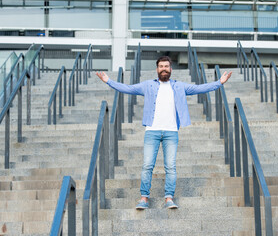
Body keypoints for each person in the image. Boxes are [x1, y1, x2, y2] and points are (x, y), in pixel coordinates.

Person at [96, 56, 232, 210]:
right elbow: (128, 88)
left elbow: (199, 89)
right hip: (152, 131)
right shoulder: (148, 86)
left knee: (170, 167)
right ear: (157, 69)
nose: (164, 69)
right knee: (147, 165)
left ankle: (169, 198)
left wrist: (219, 83)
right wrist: (108, 81)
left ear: (171, 69)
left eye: (166, 66)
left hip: (171, 131)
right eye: (161, 66)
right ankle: (144, 199)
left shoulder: (179, 86)